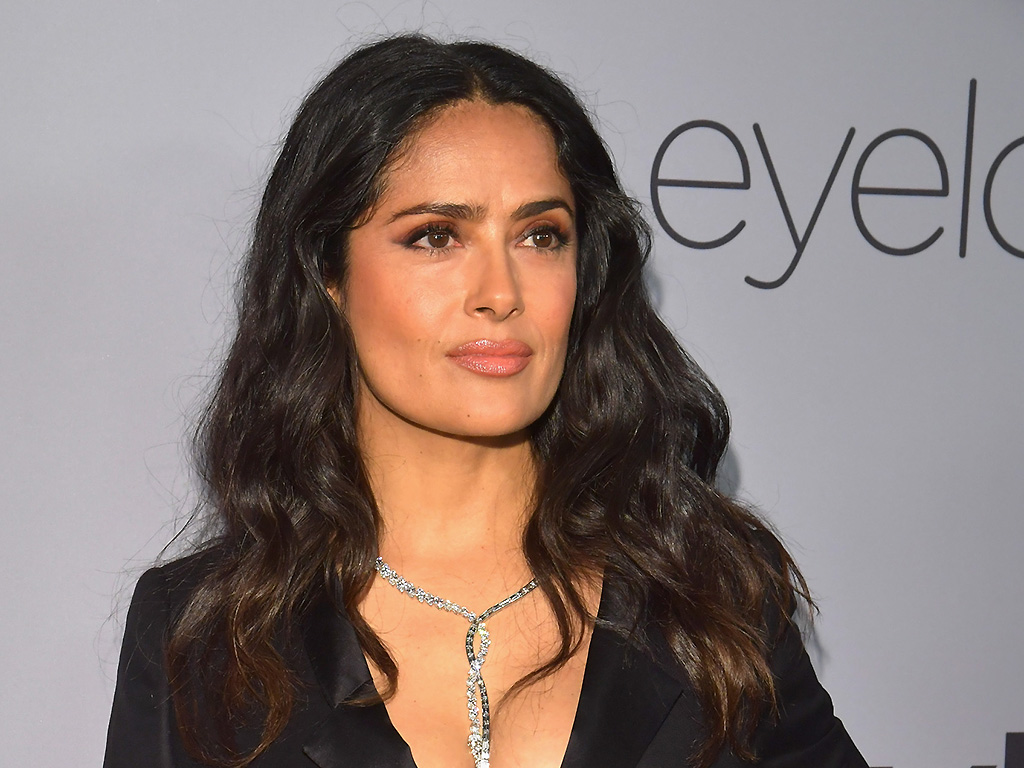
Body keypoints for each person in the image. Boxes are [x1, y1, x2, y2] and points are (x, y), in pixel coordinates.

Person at [103, 34, 868, 768]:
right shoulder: (208, 635)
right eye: (436, 236)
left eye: (541, 236)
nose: (501, 293)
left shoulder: (708, 593)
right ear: (327, 275)